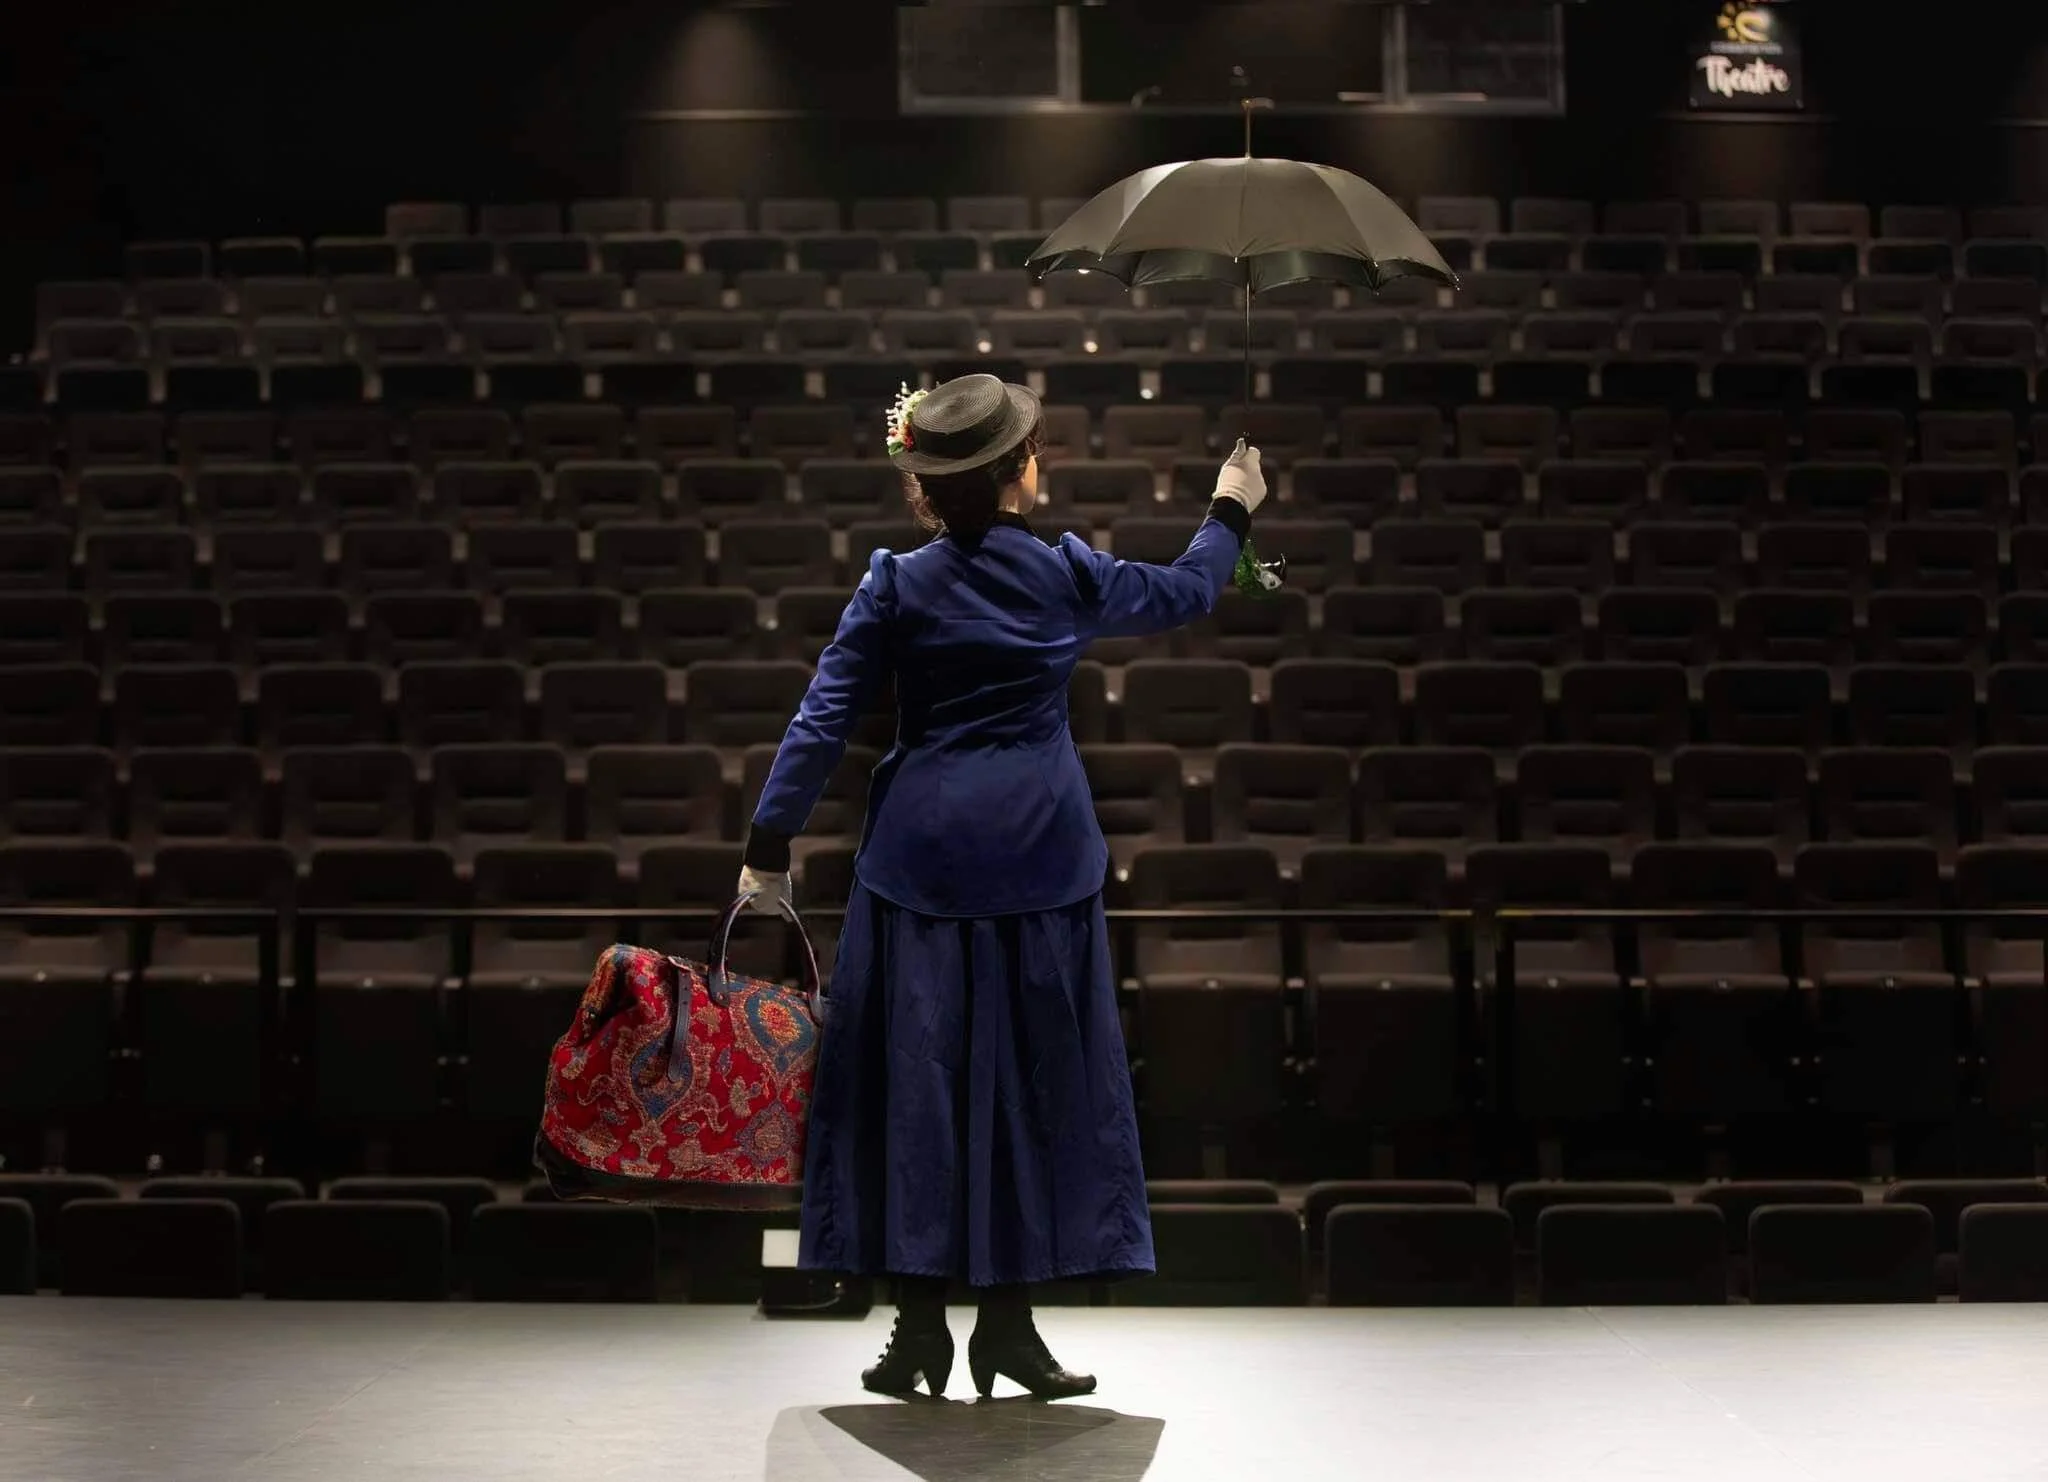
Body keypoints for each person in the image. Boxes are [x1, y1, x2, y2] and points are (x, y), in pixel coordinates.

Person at [737, 373, 1265, 1400]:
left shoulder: (892, 582)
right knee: (1030, 1093)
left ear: (930, 489)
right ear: (1019, 476)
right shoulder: (1063, 572)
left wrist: (767, 844)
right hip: (1038, 864)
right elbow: (1188, 590)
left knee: (914, 1097)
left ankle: (918, 1336)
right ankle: (1008, 1332)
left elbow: (821, 721)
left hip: (916, 865)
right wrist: (1229, 504)